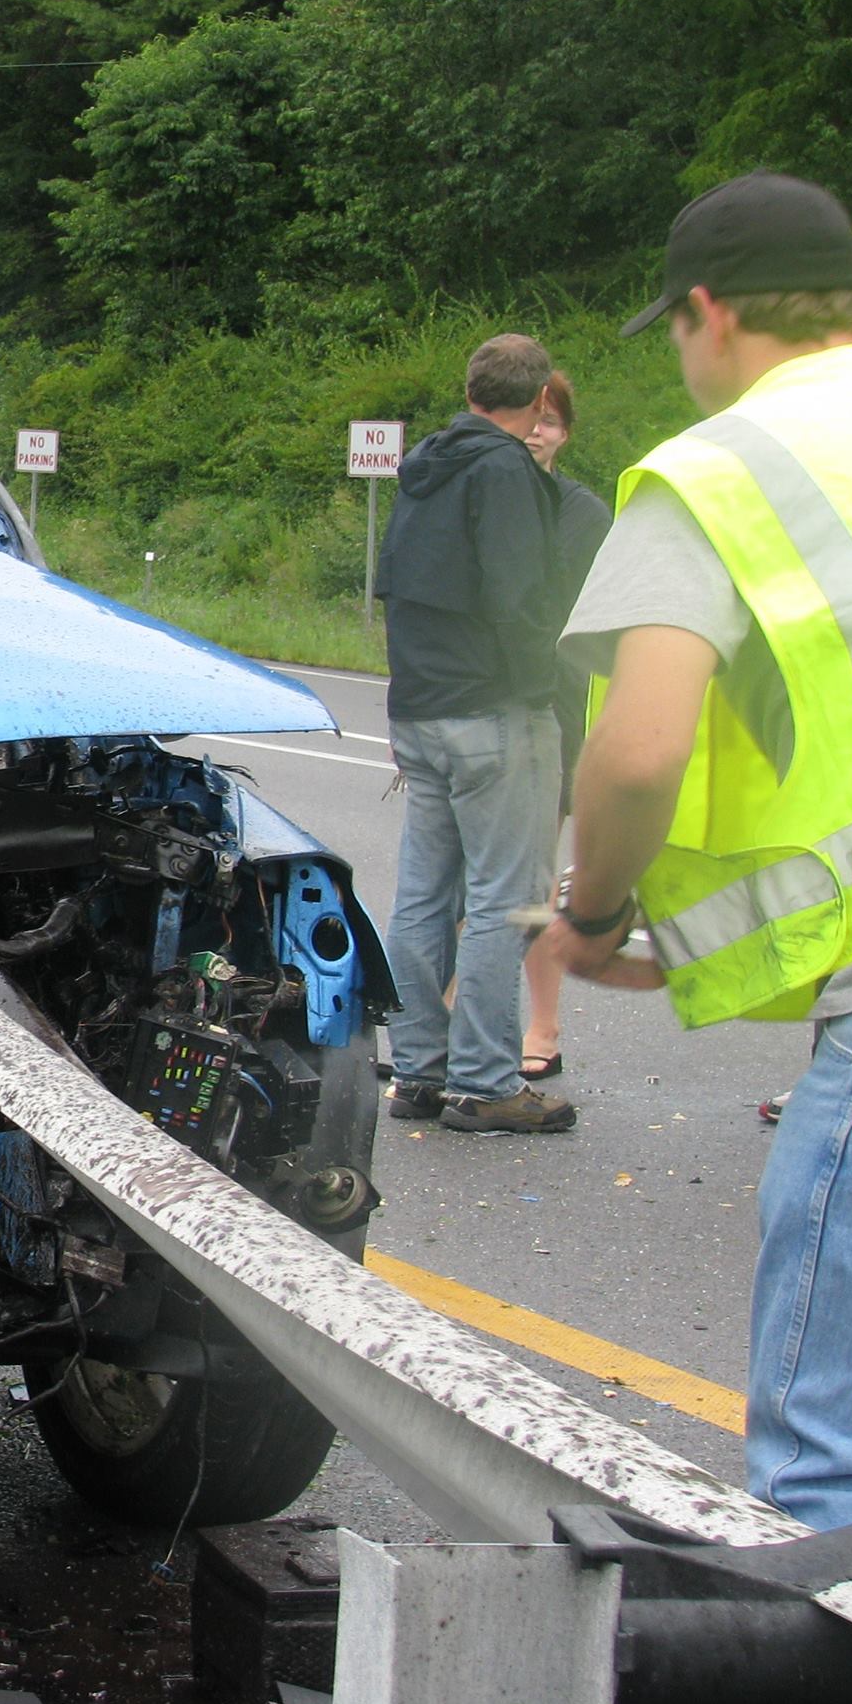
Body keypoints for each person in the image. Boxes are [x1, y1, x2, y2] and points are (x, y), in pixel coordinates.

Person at [539, 170, 852, 1529]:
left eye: (674, 331)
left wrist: (596, 915)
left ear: (711, 313)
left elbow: (639, 747)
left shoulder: (722, 472)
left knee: (823, 1453)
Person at [376, 333, 575, 1134]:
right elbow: (520, 597)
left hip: (420, 707)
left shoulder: (425, 469)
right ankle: (487, 1079)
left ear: (470, 390)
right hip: (495, 708)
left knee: (424, 893)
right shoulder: (505, 471)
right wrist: (546, 689)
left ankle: (419, 1066)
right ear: (534, 404)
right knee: (506, 895)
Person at [518, 371, 614, 1079]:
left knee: (531, 878)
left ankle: (542, 1030)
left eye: (549, 420)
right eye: (528, 415)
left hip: (554, 710)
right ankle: (447, 1017)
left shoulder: (582, 513)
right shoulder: (484, 499)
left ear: (566, 432)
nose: (535, 429)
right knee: (473, 876)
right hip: (487, 708)